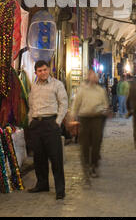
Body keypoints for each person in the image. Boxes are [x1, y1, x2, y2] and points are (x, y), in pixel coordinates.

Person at [28, 60, 68, 200]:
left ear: (49, 69)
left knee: (56, 157)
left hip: (51, 123)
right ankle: (42, 184)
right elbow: (31, 105)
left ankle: (60, 190)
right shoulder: (34, 86)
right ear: (36, 73)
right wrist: (30, 121)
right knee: (39, 157)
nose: (43, 72)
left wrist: (57, 122)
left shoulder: (57, 84)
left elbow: (63, 103)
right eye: (40, 71)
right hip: (36, 124)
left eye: (45, 69)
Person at [71, 69, 109, 181]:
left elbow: (105, 104)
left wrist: (104, 110)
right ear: (88, 77)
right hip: (84, 119)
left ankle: (94, 165)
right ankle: (86, 166)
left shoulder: (101, 91)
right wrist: (72, 117)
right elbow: (76, 104)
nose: (93, 77)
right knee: (85, 145)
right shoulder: (82, 90)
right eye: (91, 75)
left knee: (96, 143)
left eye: (95, 75)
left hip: (97, 119)